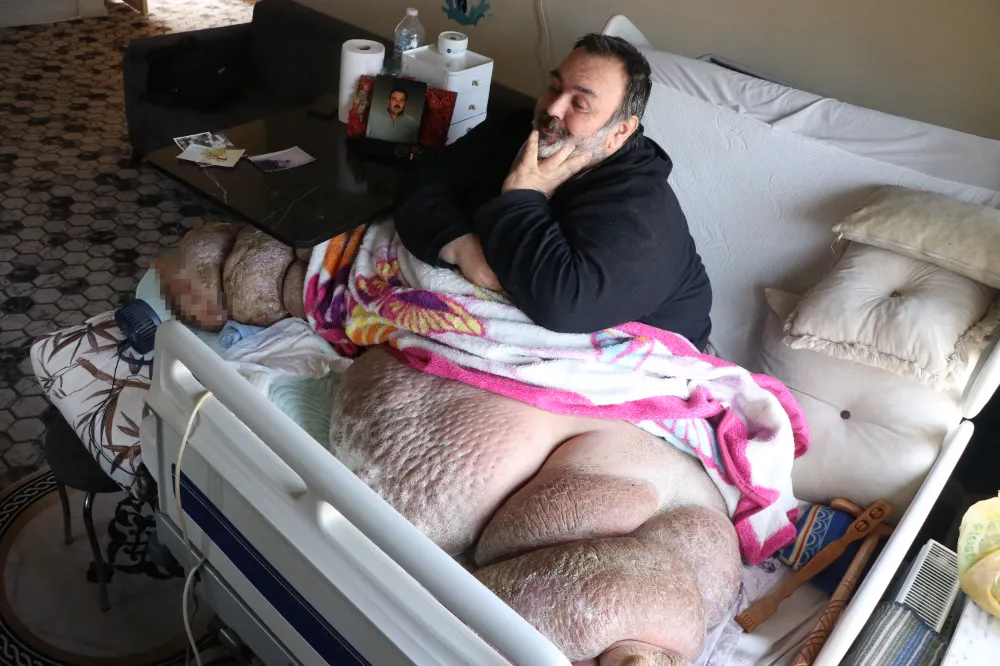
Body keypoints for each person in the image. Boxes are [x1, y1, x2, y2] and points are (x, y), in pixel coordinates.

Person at [394, 33, 713, 349]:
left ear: (620, 131)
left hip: (653, 353)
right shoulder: (522, 130)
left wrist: (523, 196)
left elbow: (563, 306)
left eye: (579, 103)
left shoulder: (642, 211)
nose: (553, 108)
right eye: (555, 87)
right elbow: (421, 183)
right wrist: (462, 247)